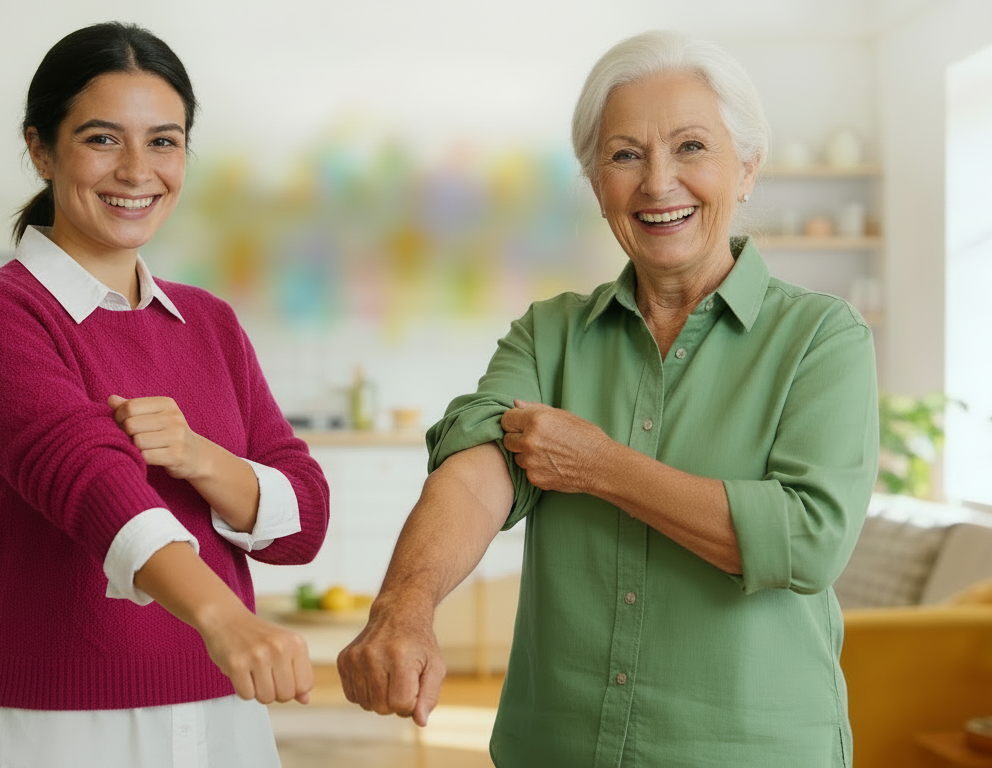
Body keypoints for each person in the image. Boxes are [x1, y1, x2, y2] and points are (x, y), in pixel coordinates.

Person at [337, 30, 878, 767]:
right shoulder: (550, 334)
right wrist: (405, 605)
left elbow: (807, 539)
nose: (658, 183)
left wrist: (600, 466)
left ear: (747, 168)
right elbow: (475, 472)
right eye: (625, 155)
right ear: (597, 185)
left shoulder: (822, 337)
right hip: (557, 747)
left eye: (691, 147)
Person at [0, 22, 329, 768]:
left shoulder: (209, 321)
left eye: (163, 142)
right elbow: (91, 481)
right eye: (102, 139)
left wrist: (198, 456)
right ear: (41, 149)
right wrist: (224, 617)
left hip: (225, 709)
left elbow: (302, 521)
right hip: (60, 724)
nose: (136, 171)